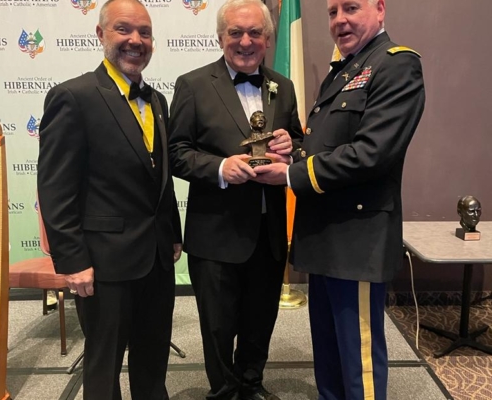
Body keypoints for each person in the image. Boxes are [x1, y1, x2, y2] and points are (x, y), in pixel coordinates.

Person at [253, 0, 425, 399]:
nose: (340, 20)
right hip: (324, 237)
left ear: (380, 9)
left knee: (358, 360)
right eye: (333, 12)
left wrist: (292, 174)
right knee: (328, 356)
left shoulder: (395, 65)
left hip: (356, 240)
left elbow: (372, 154)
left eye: (351, 8)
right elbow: (325, 146)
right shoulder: (344, 71)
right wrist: (293, 150)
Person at [37, 0, 182, 398]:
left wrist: (172, 233)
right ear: (100, 34)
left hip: (155, 258)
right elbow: (55, 187)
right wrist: (73, 260)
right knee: (104, 366)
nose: (136, 40)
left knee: (153, 361)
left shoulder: (157, 100)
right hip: (102, 264)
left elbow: (160, 178)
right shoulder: (73, 96)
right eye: (124, 29)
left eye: (145, 32)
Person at [168, 0, 303, 399]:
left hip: (270, 231)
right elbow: (176, 152)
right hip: (216, 234)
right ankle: (224, 390)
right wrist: (219, 169)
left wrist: (291, 145)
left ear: (267, 38)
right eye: (235, 33)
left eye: (255, 33)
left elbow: (300, 141)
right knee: (218, 325)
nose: (245, 42)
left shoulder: (284, 85)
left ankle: (251, 384)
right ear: (221, 36)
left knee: (261, 319)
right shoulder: (192, 84)